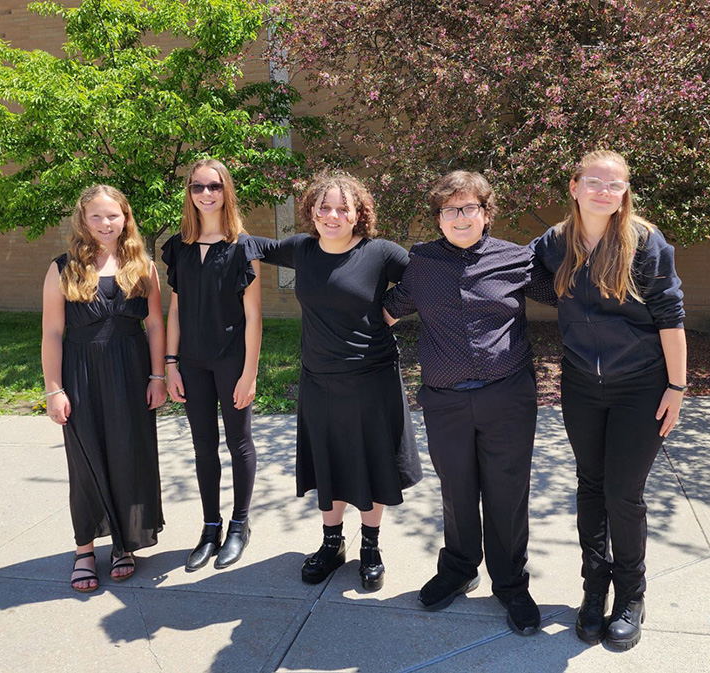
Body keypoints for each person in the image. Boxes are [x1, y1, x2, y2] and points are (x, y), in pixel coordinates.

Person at [383, 171, 555, 636]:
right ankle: (459, 569)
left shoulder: (517, 260)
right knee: (457, 492)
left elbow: (571, 296)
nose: (459, 217)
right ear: (439, 217)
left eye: (469, 208)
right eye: (449, 209)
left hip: (507, 398)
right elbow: (387, 310)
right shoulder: (421, 264)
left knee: (507, 493)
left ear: (486, 213)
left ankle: (512, 584)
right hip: (445, 401)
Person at [533, 150, 687, 650]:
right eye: (594, 181)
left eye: (614, 184)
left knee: (624, 493)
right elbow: (510, 268)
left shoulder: (644, 242)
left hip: (640, 387)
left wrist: (677, 388)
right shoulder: (555, 243)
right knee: (591, 488)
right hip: (581, 386)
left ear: (624, 193)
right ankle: (593, 590)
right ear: (574, 186)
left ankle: (631, 595)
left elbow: (670, 316)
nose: (604, 190)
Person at [245, 173, 422, 591]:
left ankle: (372, 548)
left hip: (371, 379)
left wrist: (391, 310)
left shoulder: (379, 253)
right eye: (324, 206)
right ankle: (331, 544)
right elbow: (250, 244)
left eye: (343, 207)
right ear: (311, 211)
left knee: (372, 462)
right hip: (319, 380)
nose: (333, 215)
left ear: (359, 213)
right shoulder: (302, 250)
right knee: (328, 461)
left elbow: (425, 277)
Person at [42, 185, 166, 593]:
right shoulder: (62, 268)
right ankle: (83, 550)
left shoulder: (143, 266)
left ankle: (123, 545)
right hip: (81, 374)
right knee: (85, 463)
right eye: (96, 216)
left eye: (113, 215)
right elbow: (53, 334)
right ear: (83, 220)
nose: (105, 223)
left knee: (130, 457)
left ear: (125, 217)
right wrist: (54, 389)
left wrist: (158, 376)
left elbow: (154, 326)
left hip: (132, 374)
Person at [162, 159, 262, 572]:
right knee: (203, 445)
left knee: (238, 442)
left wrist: (250, 372)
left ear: (226, 191)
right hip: (191, 362)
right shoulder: (178, 246)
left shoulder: (242, 246)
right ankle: (210, 528)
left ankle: (239, 525)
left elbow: (254, 316)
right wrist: (170, 364)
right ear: (189, 192)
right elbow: (174, 310)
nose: (206, 193)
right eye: (198, 186)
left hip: (231, 360)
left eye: (214, 186)